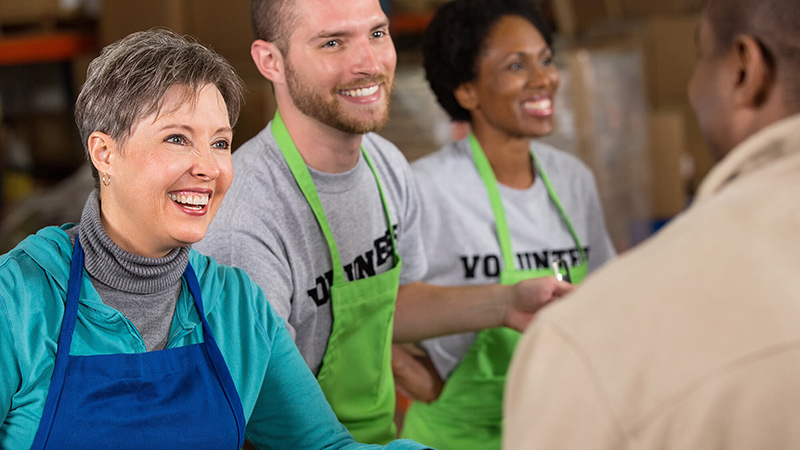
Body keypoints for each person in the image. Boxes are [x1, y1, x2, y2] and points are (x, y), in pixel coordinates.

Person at [0, 29, 432, 450]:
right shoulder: (17, 298)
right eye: (177, 138)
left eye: (220, 143)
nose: (209, 167)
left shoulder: (236, 306)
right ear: (104, 153)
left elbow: (321, 445)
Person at [194, 0, 574, 444]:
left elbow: (394, 300)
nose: (369, 63)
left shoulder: (386, 165)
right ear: (270, 61)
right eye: (333, 42)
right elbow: (261, 405)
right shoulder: (246, 218)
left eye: (377, 34)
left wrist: (507, 303)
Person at [503, 0, 800, 448]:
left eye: (701, 56)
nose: (542, 78)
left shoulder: (589, 344)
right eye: (515, 65)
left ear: (744, 69)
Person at [398, 1, 615, 448]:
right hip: (460, 437)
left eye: (546, 60)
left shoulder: (573, 180)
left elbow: (603, 295)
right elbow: (371, 312)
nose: (544, 80)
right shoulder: (426, 188)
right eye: (517, 65)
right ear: (467, 92)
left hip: (557, 430)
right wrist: (416, 377)